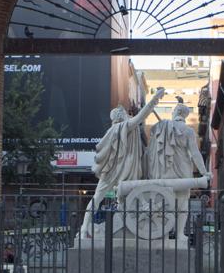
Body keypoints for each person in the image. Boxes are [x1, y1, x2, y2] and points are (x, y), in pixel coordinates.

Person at [78, 87, 165, 239]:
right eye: (125, 113)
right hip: (125, 171)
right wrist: (154, 100)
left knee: (96, 199)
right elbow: (141, 116)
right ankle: (132, 222)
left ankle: (84, 228)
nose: (127, 114)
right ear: (122, 116)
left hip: (109, 171)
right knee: (135, 195)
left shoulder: (110, 131)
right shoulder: (125, 126)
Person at [144, 101, 209, 181]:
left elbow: (152, 132)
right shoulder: (189, 131)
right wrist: (204, 172)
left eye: (174, 110)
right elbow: (195, 153)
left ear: (178, 112)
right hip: (183, 171)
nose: (172, 113)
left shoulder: (163, 126)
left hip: (165, 172)